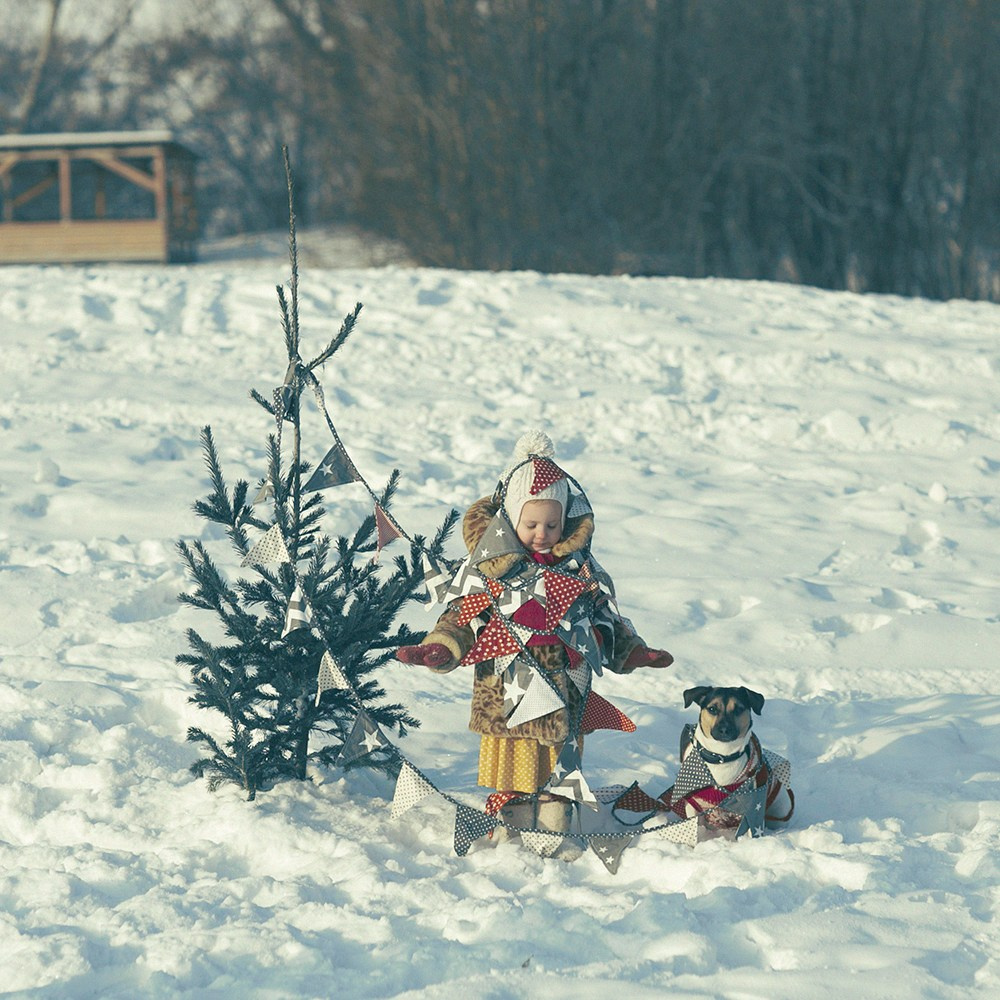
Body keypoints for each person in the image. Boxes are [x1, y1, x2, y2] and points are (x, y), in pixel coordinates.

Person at [397, 430, 673, 839]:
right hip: (509, 690)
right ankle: (508, 824)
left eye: (552, 524)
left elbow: (603, 617)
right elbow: (461, 616)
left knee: (561, 764)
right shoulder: (492, 570)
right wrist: (440, 649)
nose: (542, 533)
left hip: (567, 686)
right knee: (515, 762)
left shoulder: (579, 567)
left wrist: (631, 651)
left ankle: (553, 828)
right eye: (531, 524)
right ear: (510, 519)